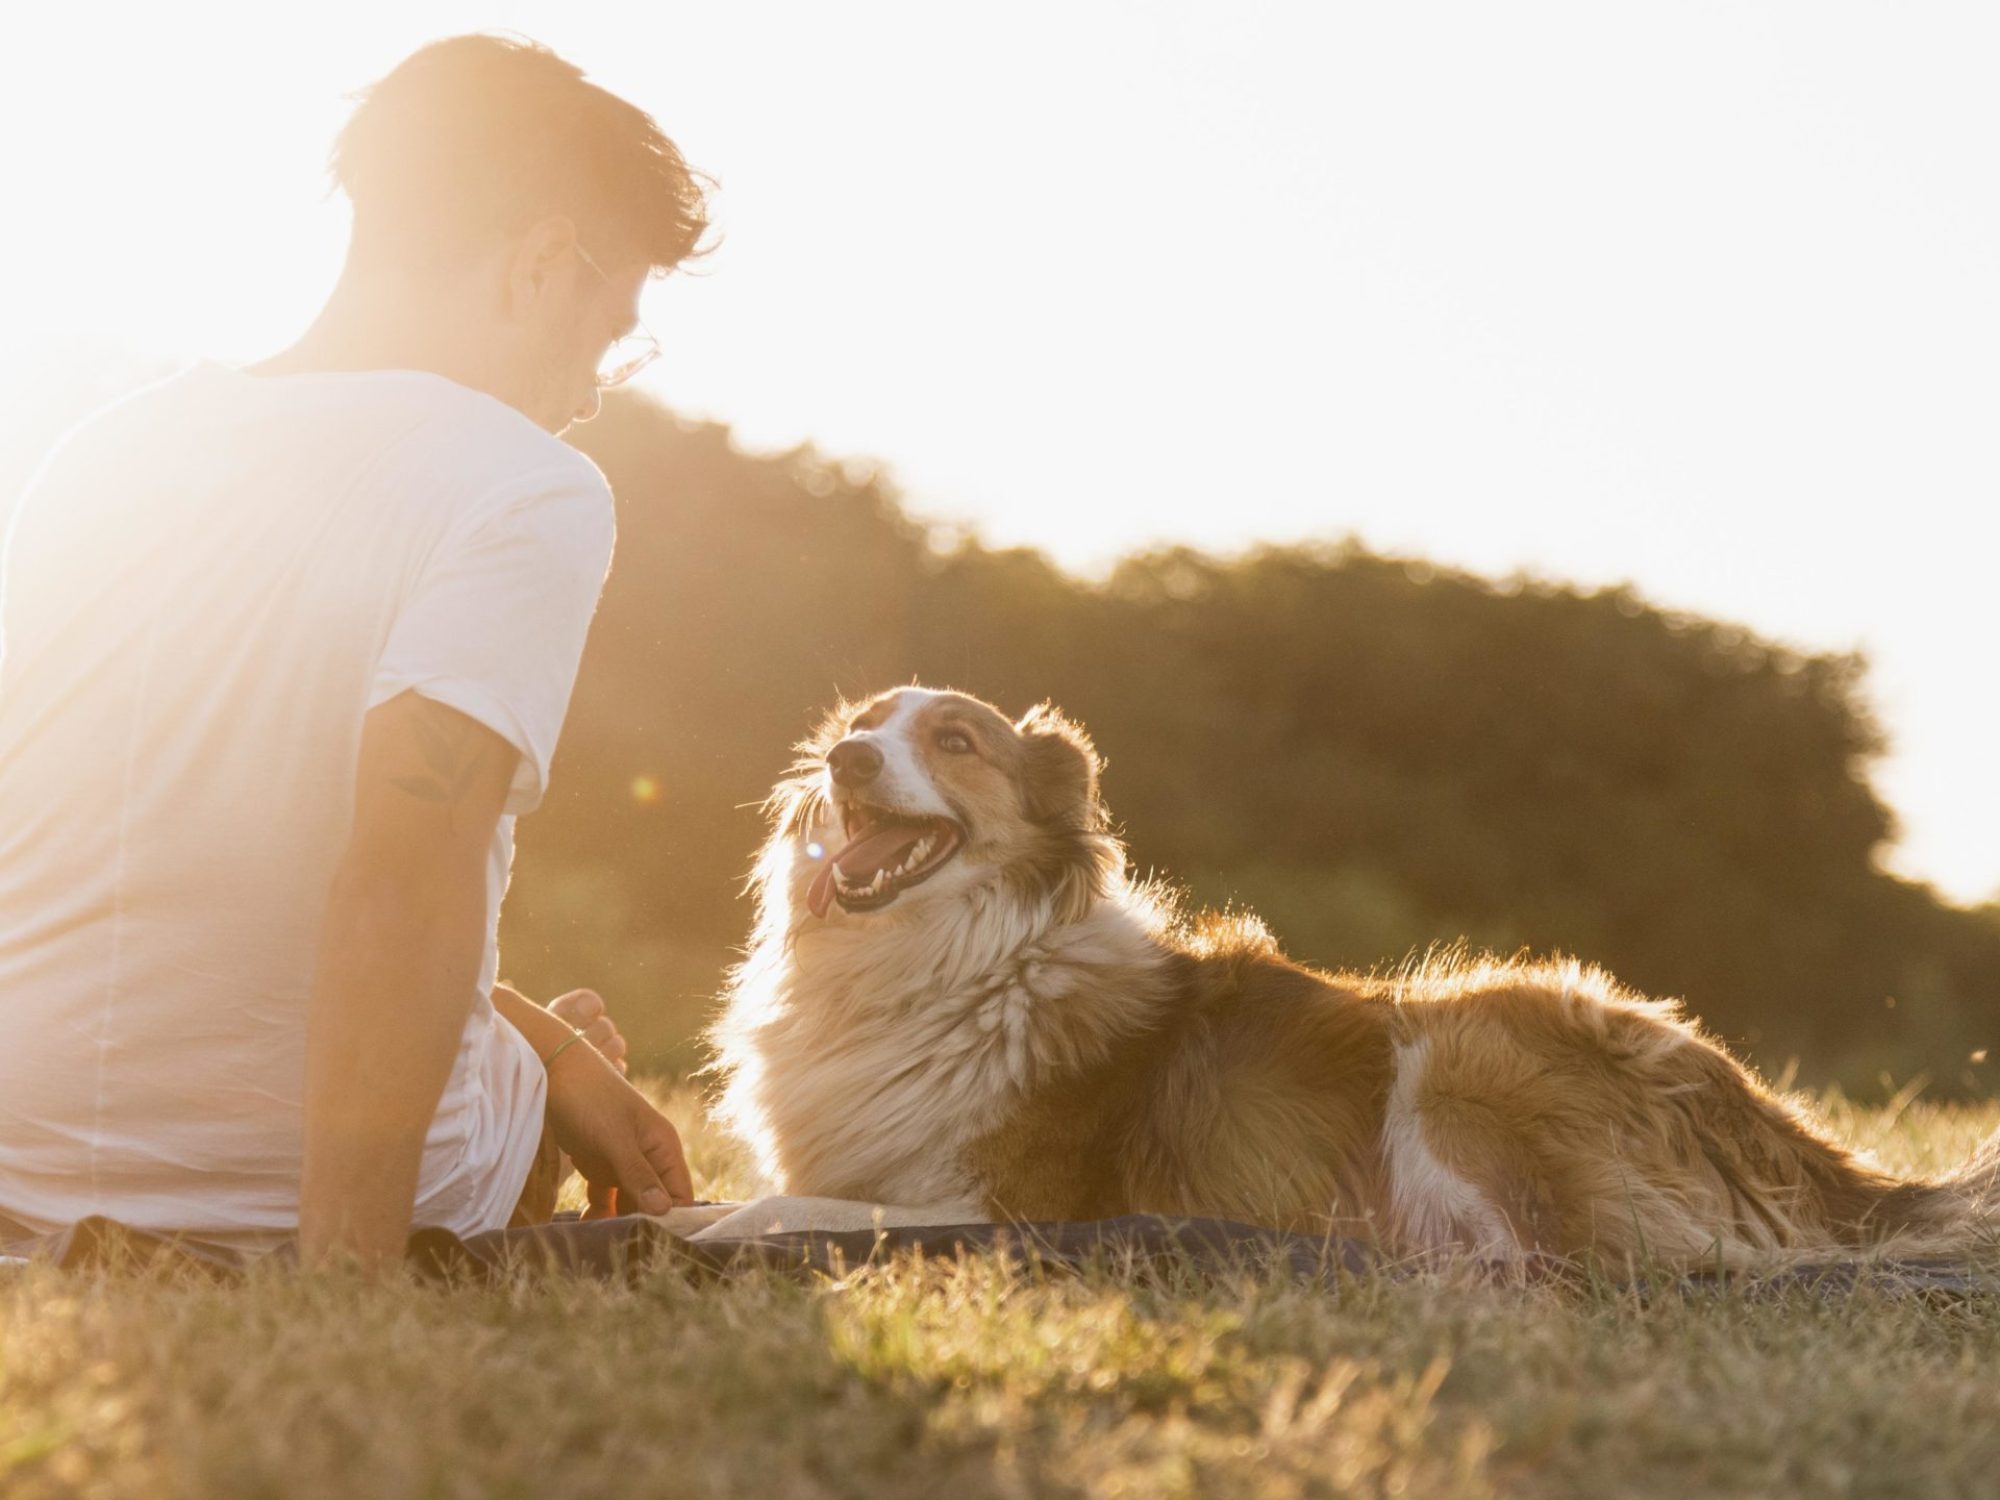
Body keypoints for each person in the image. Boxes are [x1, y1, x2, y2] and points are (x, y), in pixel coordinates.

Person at [0, 34, 710, 1267]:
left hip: (20, 1170)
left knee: (538, 1039)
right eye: (611, 334)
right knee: (515, 1046)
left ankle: (524, 1062)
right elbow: (407, 865)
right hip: (271, 1212)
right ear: (542, 261)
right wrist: (348, 1278)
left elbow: (168, 867)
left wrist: (534, 1042)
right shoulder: (526, 485)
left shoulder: (103, 452)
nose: (596, 389)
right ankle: (509, 1100)